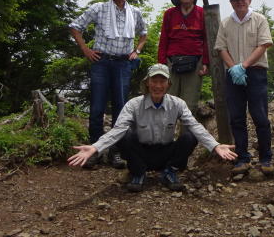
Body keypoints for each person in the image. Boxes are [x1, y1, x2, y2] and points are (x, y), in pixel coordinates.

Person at [68, 64, 236, 192]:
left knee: (189, 136)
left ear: (168, 84)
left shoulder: (177, 104)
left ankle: (170, 171)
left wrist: (215, 145)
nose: (157, 85)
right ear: (147, 83)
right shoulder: (133, 104)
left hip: (166, 152)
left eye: (162, 81)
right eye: (154, 81)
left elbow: (195, 125)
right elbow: (117, 130)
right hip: (141, 153)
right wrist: (95, 148)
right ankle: (138, 173)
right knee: (125, 135)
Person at [69, 0, 147, 169]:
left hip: (123, 64)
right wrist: (85, 49)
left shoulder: (135, 12)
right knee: (97, 108)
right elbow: (75, 26)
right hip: (101, 62)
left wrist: (137, 51)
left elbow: (143, 34)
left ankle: (116, 152)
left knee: (121, 110)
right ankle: (93, 151)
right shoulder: (99, 8)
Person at [214, 0, 274, 176]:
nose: (239, 2)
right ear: (231, 2)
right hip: (233, 75)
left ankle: (266, 158)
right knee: (237, 117)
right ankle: (242, 158)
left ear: (249, 0)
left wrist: (245, 65)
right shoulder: (225, 23)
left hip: (255, 73)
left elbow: (263, 44)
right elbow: (221, 48)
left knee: (260, 116)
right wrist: (234, 68)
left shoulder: (259, 19)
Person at [158, 0, 210, 113]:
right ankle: (167, 132)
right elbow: (163, 39)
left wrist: (206, 62)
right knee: (169, 99)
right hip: (172, 61)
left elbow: (207, 39)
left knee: (190, 102)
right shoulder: (170, 14)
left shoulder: (202, 13)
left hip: (195, 62)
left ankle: (186, 133)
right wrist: (161, 63)